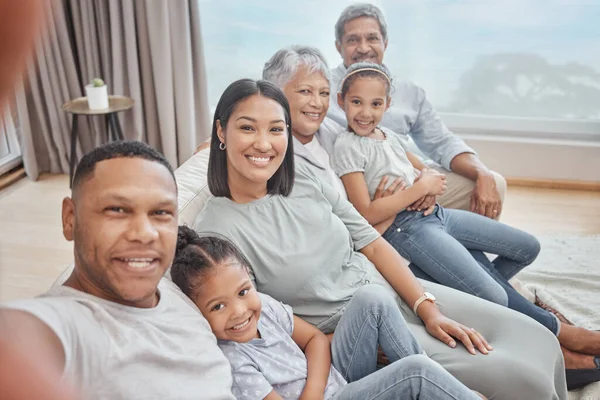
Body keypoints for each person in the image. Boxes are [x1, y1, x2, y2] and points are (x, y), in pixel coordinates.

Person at [193, 77, 568, 399]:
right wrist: (368, 347)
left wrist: (427, 307)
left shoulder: (303, 180)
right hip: (356, 331)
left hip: (393, 289)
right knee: (523, 379)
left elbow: (370, 242)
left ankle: (578, 364)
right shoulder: (217, 232)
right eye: (247, 127)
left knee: (536, 338)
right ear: (221, 131)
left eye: (276, 129)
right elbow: (264, 329)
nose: (263, 144)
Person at [331, 61, 600, 387]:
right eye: (356, 102)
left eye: (375, 104)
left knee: (527, 248)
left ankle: (461, 288)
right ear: (341, 100)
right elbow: (365, 213)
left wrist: (429, 184)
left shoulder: (388, 136)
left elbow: (428, 171)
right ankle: (553, 331)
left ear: (387, 105)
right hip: (408, 229)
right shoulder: (346, 146)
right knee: (495, 297)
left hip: (437, 215)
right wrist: (418, 189)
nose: (365, 112)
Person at [0, 141, 235, 399]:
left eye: (161, 212)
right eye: (117, 210)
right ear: (70, 218)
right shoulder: (56, 328)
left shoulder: (175, 290)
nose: (144, 234)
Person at [171, 226, 485, 400]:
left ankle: (441, 391)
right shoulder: (232, 360)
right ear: (197, 313)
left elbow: (316, 341)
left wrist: (314, 389)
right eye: (218, 306)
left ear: (250, 279)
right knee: (416, 370)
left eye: (243, 291)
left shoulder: (263, 306)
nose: (240, 310)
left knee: (371, 297)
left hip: (333, 383)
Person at [328, 3, 506, 219]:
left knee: (494, 183)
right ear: (339, 46)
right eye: (353, 40)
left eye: (372, 38)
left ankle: (466, 247)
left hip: (411, 178)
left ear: (385, 43)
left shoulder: (408, 92)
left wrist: (481, 173)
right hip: (359, 194)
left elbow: (442, 142)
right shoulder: (321, 89)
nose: (364, 48)